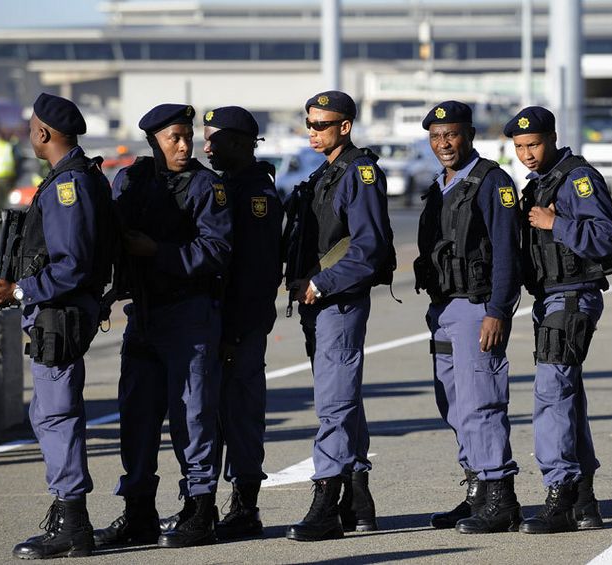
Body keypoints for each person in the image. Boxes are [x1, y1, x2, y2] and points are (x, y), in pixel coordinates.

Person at [93, 104, 232, 549]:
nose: (185, 144)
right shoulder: (131, 180)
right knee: (136, 416)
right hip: (144, 314)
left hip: (189, 313)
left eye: (188, 135)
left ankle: (199, 509)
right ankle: (138, 511)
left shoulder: (207, 186)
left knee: (193, 416)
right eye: (174, 137)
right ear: (154, 140)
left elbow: (216, 249)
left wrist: (159, 251)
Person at [0, 93, 115, 559]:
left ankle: (71, 521)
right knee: (49, 414)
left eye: (31, 127)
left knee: (57, 416)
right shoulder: (77, 177)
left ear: (43, 133)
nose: (27, 134)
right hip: (61, 314)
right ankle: (69, 515)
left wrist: (18, 291)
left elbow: (72, 264)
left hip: (58, 315)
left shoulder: (69, 186)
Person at [504, 106, 612, 534]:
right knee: (567, 398)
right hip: (550, 299)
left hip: (573, 297)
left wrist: (557, 222)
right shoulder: (539, 183)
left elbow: (610, 237)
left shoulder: (578, 179)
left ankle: (559, 494)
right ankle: (585, 500)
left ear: (552, 137)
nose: (527, 154)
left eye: (533, 144)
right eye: (519, 147)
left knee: (551, 393)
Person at [283, 90, 395, 542]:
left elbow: (370, 250)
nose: (312, 131)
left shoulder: (359, 173)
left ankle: (327, 502)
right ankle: (358, 501)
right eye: (308, 123)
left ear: (344, 126)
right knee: (342, 398)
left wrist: (320, 283)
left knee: (334, 402)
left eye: (321, 125)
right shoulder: (326, 173)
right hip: (320, 304)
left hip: (338, 302)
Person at [413, 101, 522, 534]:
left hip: (478, 308)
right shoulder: (440, 184)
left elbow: (506, 254)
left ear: (470, 135)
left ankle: (501, 495)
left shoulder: (492, 183)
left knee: (482, 402)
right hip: (442, 309)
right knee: (454, 404)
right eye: (436, 137)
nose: (444, 144)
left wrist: (497, 311)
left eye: (452, 135)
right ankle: (477, 487)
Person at [201, 106, 284, 539]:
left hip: (240, 325)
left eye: (216, 139)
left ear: (242, 142)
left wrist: (235, 333)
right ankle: (205, 504)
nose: (207, 146)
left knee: (241, 417)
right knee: (207, 417)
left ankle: (245, 507)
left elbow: (256, 275)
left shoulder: (256, 197)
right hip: (212, 321)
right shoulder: (221, 186)